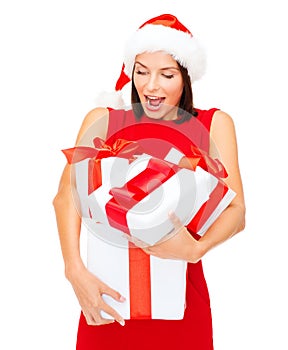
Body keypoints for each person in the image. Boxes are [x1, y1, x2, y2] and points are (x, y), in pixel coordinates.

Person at [53, 14, 246, 350]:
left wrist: (197, 248)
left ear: (186, 77)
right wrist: (75, 272)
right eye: (141, 72)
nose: (151, 86)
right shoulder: (103, 120)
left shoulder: (214, 124)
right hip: (106, 295)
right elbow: (66, 198)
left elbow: (237, 210)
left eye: (166, 74)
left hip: (183, 299)